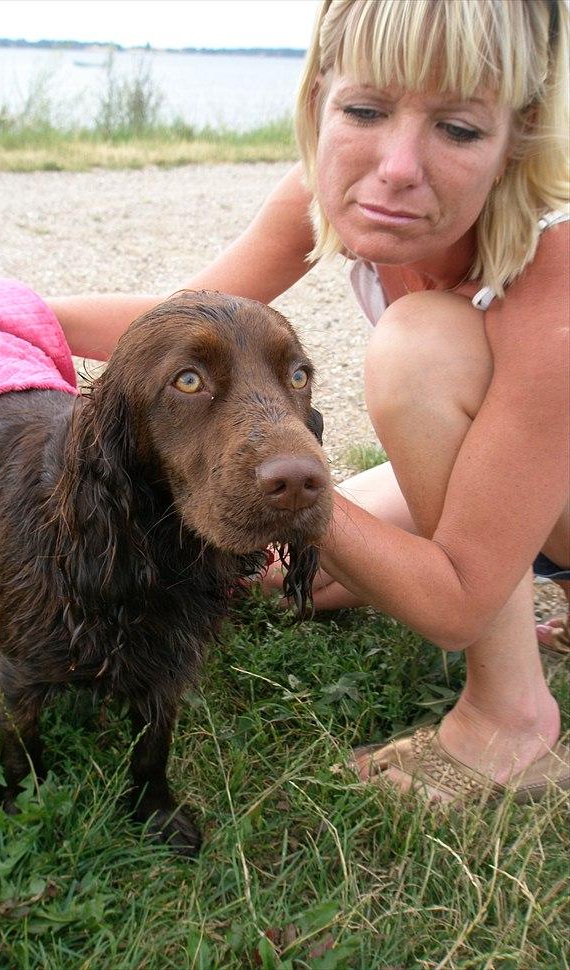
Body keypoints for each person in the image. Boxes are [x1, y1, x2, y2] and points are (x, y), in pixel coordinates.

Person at [46, 0, 569, 804]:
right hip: (535, 480)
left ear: (517, 138)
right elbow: (178, 322)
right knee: (284, 572)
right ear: (319, 99)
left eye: (458, 129)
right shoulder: (335, 194)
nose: (398, 165)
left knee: (417, 352)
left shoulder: (556, 266)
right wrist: (15, 315)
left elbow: (458, 603)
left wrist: (284, 481)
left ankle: (511, 722)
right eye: (366, 111)